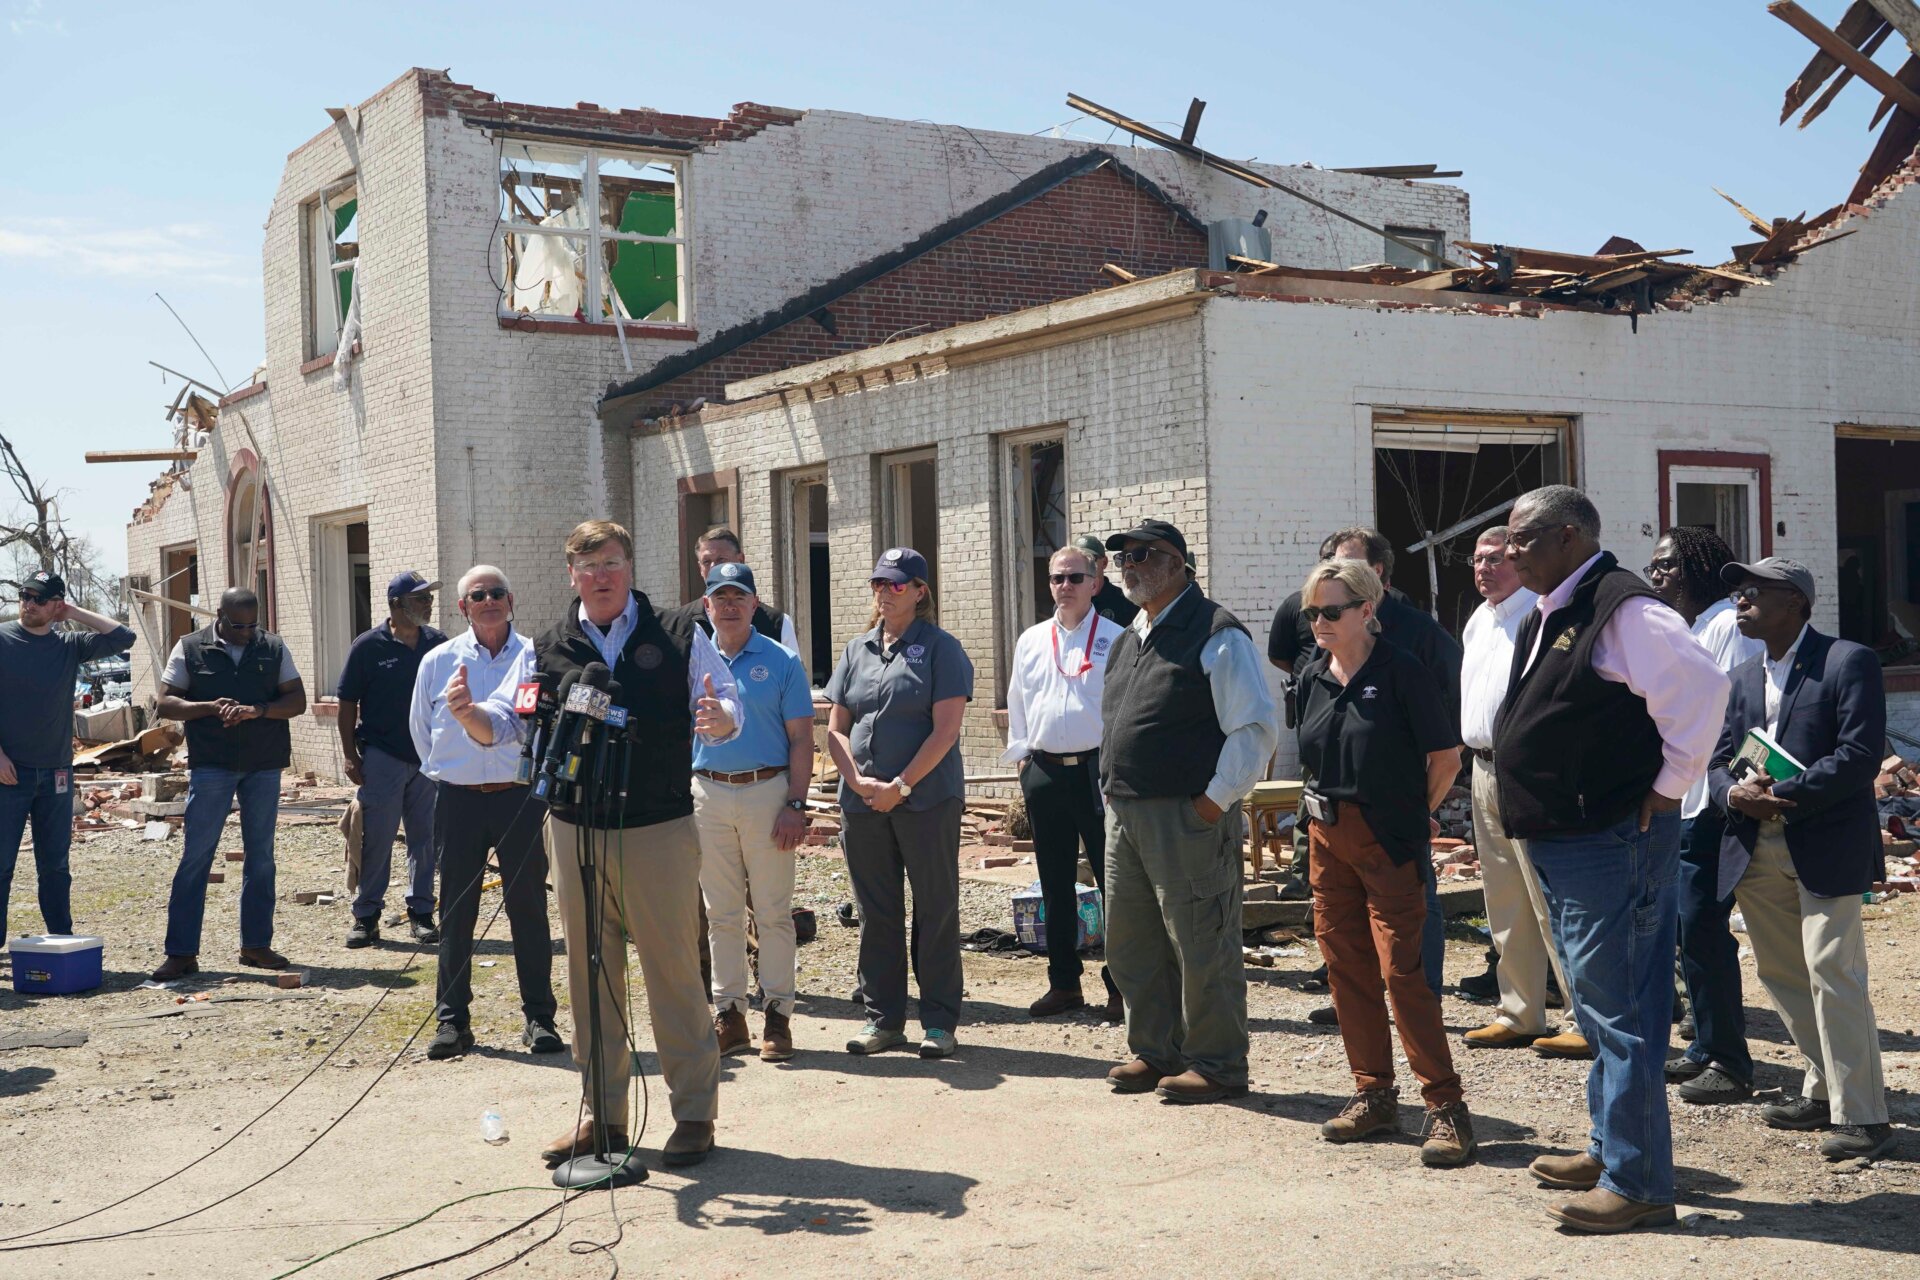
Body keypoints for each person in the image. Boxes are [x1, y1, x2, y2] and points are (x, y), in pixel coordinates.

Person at [1495, 485, 1729, 1234]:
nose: (1507, 551)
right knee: (1599, 1004)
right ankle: (1609, 1147)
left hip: (1611, 840)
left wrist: (1667, 789)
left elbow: (1702, 689)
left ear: (1568, 537)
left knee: (1624, 1009)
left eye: (1523, 539)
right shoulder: (1556, 607)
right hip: (1569, 838)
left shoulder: (1625, 609)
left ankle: (1639, 1183)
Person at [533, 520, 739, 1171]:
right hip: (573, 829)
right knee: (590, 972)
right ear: (572, 575)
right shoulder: (547, 645)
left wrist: (723, 719)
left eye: (613, 564)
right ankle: (605, 1116)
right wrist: (468, 720)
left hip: (656, 830)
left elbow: (725, 700)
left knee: (672, 971)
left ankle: (695, 1113)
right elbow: (516, 721)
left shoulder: (679, 632)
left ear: (630, 567)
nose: (601, 577)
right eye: (589, 567)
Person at [1708, 558, 1895, 1163]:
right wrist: (1731, 793)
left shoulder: (1847, 662)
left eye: (1753, 592)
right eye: (1738, 592)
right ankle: (1822, 1090)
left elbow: (1860, 755)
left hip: (1825, 842)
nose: (1740, 601)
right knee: (1784, 976)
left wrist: (1783, 795)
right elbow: (1714, 762)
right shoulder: (1737, 678)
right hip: (1753, 846)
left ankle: (1862, 1114)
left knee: (1833, 972)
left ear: (1795, 602)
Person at [1295, 557, 1474, 1165]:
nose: (1319, 621)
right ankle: (1373, 1093)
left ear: (1367, 609)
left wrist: (1408, 816)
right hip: (1328, 837)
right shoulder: (1313, 675)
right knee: (1346, 967)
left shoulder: (1404, 671)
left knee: (1404, 973)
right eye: (1312, 611)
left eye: (1332, 611)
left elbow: (1445, 758)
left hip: (1388, 841)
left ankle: (1446, 1107)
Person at [1099, 519, 1277, 1104]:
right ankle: (1156, 1050)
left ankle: (1218, 1063)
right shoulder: (1131, 636)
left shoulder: (1216, 632)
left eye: (1144, 554)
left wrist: (1213, 802)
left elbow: (1252, 728)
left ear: (1179, 563)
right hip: (1125, 814)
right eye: (1121, 556)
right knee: (1132, 942)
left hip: (1186, 815)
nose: (1129, 564)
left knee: (1202, 941)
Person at [1274, 527, 1458, 1019]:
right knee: (1344, 926)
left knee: (1414, 922)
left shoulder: (1415, 639)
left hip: (1393, 817)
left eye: (1350, 566)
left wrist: (1417, 808)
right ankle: (1356, 1001)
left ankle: (1421, 1001)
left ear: (1373, 585)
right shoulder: (1317, 664)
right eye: (1313, 611)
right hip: (1333, 822)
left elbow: (1446, 742)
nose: (1320, 617)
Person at [824, 548, 973, 1059]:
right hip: (862, 802)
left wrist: (901, 786)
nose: (884, 593)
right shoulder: (856, 650)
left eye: (895, 584)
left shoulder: (940, 648)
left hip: (926, 799)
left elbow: (946, 730)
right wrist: (859, 781)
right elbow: (836, 728)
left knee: (934, 908)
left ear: (919, 590)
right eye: (878, 584)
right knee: (875, 911)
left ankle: (938, 1022)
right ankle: (883, 1019)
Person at [409, 565, 559, 1061]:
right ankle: (453, 1022)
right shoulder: (437, 661)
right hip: (458, 799)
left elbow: (531, 721)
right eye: (478, 595)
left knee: (529, 911)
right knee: (456, 913)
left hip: (518, 798)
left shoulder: (536, 656)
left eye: (497, 592)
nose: (489, 600)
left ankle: (539, 1018)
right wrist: (453, 771)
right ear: (462, 607)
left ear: (511, 599)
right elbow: (420, 729)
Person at [1646, 528, 1763, 1103]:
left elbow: (1740, 715)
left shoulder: (1726, 624)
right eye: (1653, 567)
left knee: (1703, 928)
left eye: (1669, 565)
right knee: (1688, 930)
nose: (1658, 576)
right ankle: (1703, 1047)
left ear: (1699, 565)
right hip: (1684, 800)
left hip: (1712, 803)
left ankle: (1730, 1061)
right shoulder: (1692, 628)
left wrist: (1728, 790)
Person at [691, 561, 815, 1063]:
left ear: (755, 604)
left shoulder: (781, 660)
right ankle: (730, 1015)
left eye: (739, 596)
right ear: (706, 607)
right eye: (720, 597)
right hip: (708, 794)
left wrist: (796, 804)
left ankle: (779, 1017)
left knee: (772, 912)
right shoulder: (692, 661)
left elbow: (803, 737)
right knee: (719, 913)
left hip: (768, 792)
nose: (730, 605)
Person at [1457, 527, 1574, 1053]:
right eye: (1477, 560)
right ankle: (1520, 1011)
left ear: (1520, 560)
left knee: (1548, 899)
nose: (1484, 568)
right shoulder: (1480, 619)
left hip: (1529, 772)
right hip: (1483, 770)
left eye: (1496, 559)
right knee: (1503, 900)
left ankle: (1580, 1017)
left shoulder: (1542, 614)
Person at [152, 588, 308, 981]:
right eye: (238, 626)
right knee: (196, 858)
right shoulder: (190, 647)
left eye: (252, 625)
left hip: (263, 765)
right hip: (212, 765)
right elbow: (166, 702)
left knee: (261, 858)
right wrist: (210, 706)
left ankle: (256, 945)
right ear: (219, 615)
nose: (245, 633)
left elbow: (298, 701)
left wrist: (260, 711)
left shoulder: (273, 647)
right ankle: (181, 953)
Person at [1002, 544, 1123, 1021]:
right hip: (1045, 770)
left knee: (1114, 882)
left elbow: (1122, 712)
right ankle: (1064, 984)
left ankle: (1120, 986)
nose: (1065, 587)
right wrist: (1023, 763)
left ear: (1095, 582)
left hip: (1097, 773)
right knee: (1053, 882)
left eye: (1075, 578)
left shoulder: (1116, 638)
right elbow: (1018, 701)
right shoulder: (1031, 639)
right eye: (1056, 578)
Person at [0, 570, 134, 944]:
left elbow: (125, 637)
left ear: (55, 605)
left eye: (38, 598)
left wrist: (73, 612)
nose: (28, 603)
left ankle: (61, 939)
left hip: (57, 772)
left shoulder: (70, 644)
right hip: (8, 774)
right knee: (1, 866)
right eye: (24, 595)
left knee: (55, 866)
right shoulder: (3, 639)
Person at [337, 570, 447, 948]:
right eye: (421, 599)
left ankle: (421, 914)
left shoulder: (438, 643)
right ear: (397, 605)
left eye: (430, 598)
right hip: (382, 755)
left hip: (427, 757)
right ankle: (366, 916)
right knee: (378, 839)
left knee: (425, 839)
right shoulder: (368, 646)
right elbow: (347, 702)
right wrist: (350, 757)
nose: (429, 604)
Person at [674, 526, 801, 652]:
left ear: (740, 560)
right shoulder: (680, 623)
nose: (713, 567)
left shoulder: (778, 624)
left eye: (721, 560)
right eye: (706, 562)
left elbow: (792, 671)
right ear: (699, 567)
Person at [1072, 533, 1139, 627]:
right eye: (1077, 560)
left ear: (1104, 563)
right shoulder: (1068, 602)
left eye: (1090, 559)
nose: (1084, 565)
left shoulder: (1126, 603)